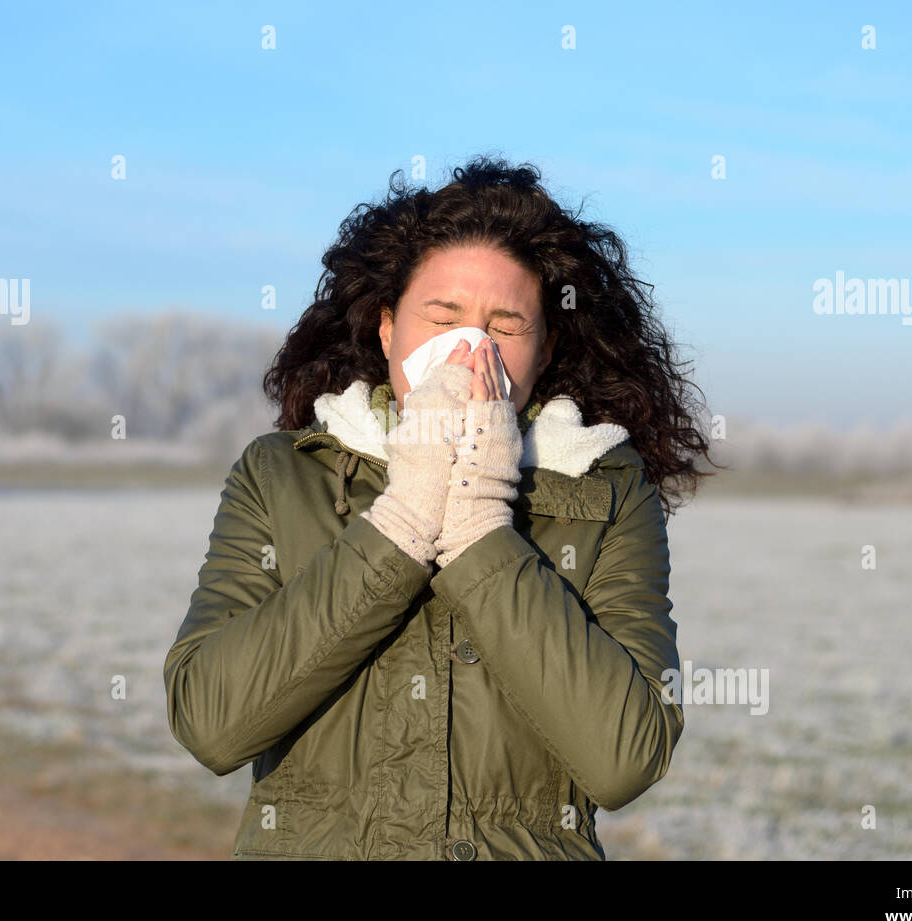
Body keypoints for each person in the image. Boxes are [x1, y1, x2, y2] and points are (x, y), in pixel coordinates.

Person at [163, 155, 714, 860]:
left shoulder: (606, 489)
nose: (468, 347)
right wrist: (402, 521)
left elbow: (625, 756)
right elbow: (210, 720)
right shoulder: (280, 475)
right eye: (443, 316)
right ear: (388, 329)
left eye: (505, 324)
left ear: (543, 352)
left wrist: (483, 525)